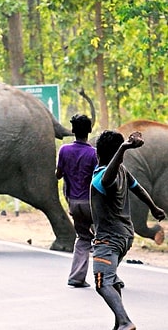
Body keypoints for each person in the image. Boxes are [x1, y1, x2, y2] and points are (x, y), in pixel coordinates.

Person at [90, 130, 165, 330]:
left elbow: (107, 180)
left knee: (102, 281)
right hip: (125, 236)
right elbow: (138, 188)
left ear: (98, 153)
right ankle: (118, 323)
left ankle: (125, 322)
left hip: (108, 239)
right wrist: (153, 207)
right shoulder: (122, 170)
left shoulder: (102, 177)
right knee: (111, 277)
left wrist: (124, 147)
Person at [55, 114, 97, 288]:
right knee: (103, 238)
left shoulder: (64, 150)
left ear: (72, 130)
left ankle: (76, 277)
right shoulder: (94, 154)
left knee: (82, 238)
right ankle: (109, 277)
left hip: (73, 202)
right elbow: (98, 180)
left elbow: (58, 175)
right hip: (91, 204)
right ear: (89, 130)